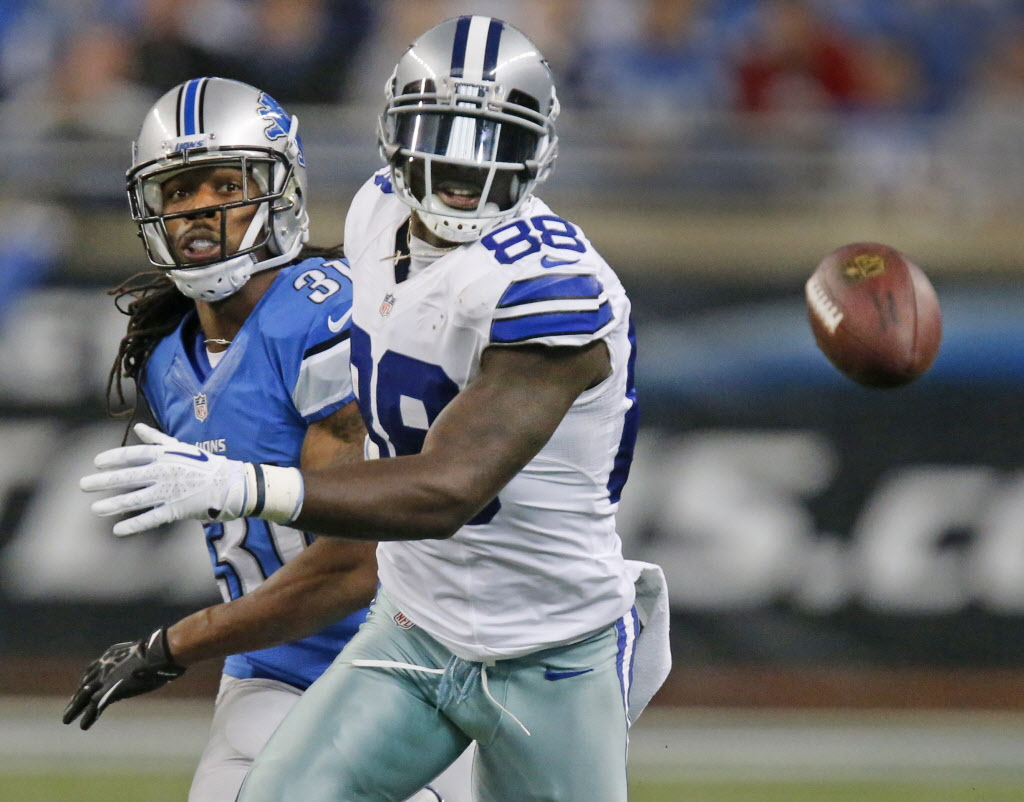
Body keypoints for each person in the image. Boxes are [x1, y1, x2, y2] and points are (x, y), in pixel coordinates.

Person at [81, 18, 671, 802]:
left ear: (542, 152)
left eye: (496, 138)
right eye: (441, 133)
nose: (463, 163)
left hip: (545, 643)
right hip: (413, 625)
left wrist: (242, 486)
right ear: (392, 133)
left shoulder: (553, 287)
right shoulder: (374, 215)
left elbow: (446, 490)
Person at [63, 76, 465, 802]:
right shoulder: (164, 357)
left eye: (225, 182)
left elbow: (353, 567)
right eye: (178, 192)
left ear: (280, 187)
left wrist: (173, 646)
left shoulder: (325, 317)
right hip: (272, 669)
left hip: (407, 662)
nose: (199, 210)